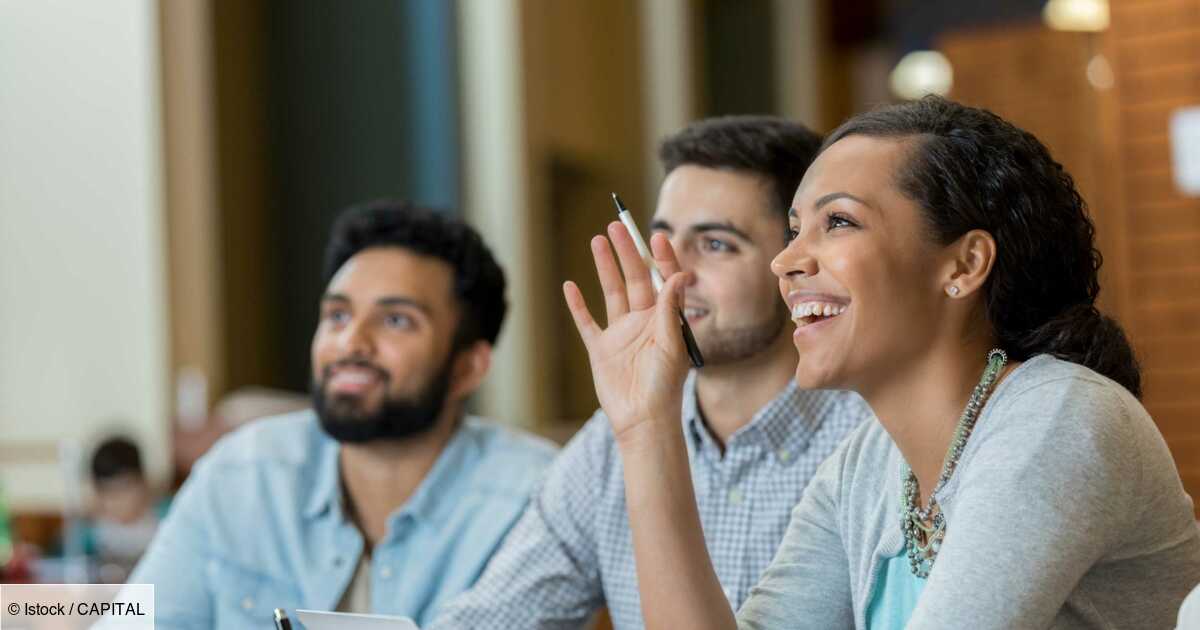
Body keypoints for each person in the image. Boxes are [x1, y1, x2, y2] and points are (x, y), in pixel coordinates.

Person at [563, 96, 1200, 629]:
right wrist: (645, 426)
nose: (787, 262)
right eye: (793, 231)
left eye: (838, 222)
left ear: (964, 264)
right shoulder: (865, 468)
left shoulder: (1058, 418)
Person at [433, 116, 871, 629]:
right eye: (658, 240)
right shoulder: (608, 443)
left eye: (716, 244)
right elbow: (493, 617)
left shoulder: (869, 436)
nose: (671, 273)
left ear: (796, 259)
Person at [127, 201, 557, 629]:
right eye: (337, 315)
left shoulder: (533, 501)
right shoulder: (242, 474)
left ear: (467, 367)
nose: (351, 342)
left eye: (395, 320)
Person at [77, 436, 166, 582]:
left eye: (124, 488)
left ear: (143, 482)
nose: (116, 500)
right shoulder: (88, 532)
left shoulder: (168, 519)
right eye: (107, 491)